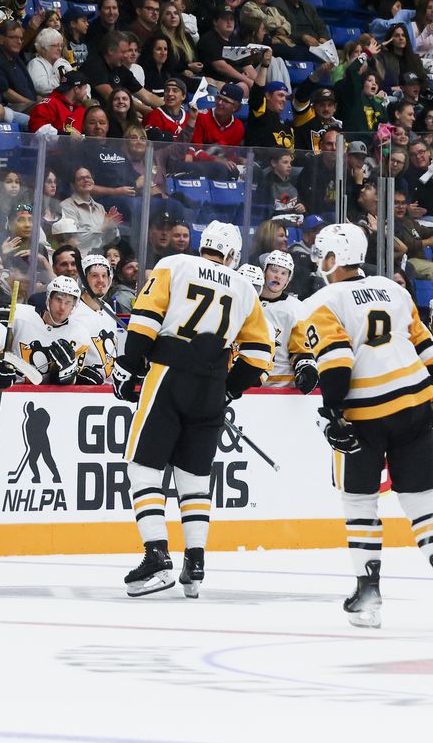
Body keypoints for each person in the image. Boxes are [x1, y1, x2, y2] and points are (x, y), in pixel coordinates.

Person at [287, 223, 433, 628]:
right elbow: (427, 350)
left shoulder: (323, 299)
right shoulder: (395, 290)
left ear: (334, 258)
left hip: (366, 415)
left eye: (323, 253)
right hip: (415, 407)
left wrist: (333, 412)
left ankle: (368, 589)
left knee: (359, 501)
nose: (319, 260)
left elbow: (336, 363)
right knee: (423, 499)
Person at [110, 221, 272, 598]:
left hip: (169, 372)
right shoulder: (246, 288)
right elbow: (260, 355)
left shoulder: (174, 265)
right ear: (231, 255)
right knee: (194, 476)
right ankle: (195, 562)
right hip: (212, 384)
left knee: (143, 467)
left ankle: (157, 555)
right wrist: (228, 390)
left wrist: (128, 365)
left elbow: (146, 319)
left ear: (204, 244)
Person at [9, 274, 103, 385]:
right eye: (58, 300)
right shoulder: (19, 315)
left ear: (74, 306)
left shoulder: (80, 334)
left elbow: (70, 381)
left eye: (68, 302)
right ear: (49, 299)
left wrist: (66, 374)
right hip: (13, 392)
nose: (62, 307)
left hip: (52, 397)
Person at [71, 253, 119, 382]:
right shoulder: (73, 311)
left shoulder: (108, 309)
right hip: (85, 389)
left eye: (104, 276)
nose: (101, 280)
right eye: (94, 276)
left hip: (109, 390)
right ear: (84, 280)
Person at [257, 250, 300, 388]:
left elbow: (301, 349)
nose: (278, 276)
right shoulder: (248, 299)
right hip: (246, 384)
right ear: (264, 271)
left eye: (284, 273)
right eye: (274, 270)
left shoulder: (296, 308)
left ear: (289, 279)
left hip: (282, 390)